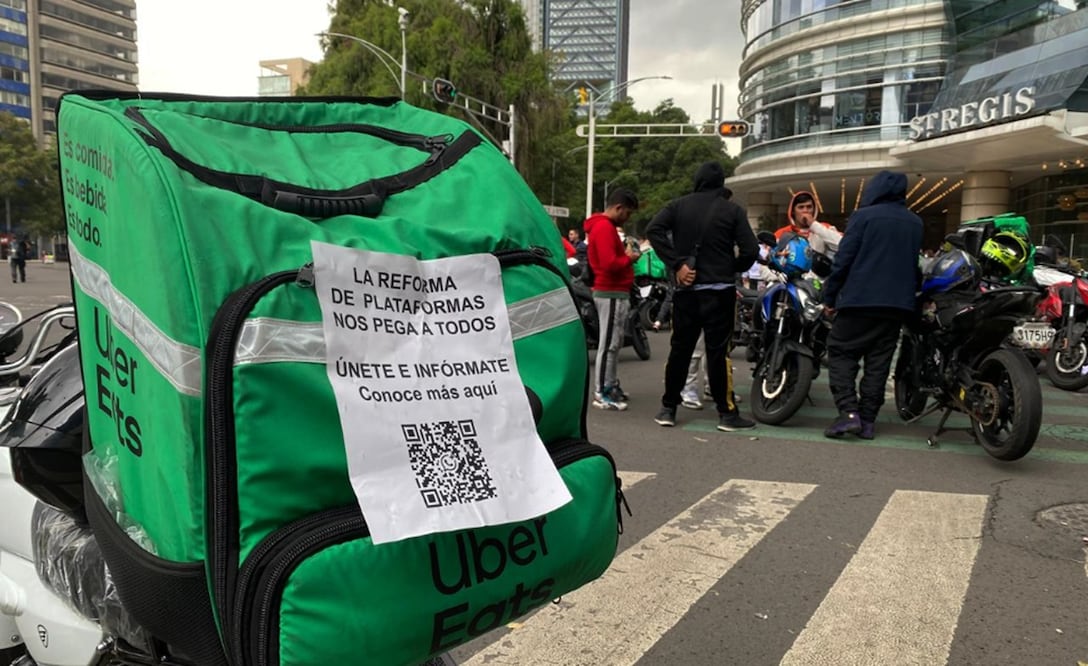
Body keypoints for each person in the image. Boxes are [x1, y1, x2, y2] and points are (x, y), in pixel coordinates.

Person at [646, 161, 759, 432]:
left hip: (686, 292)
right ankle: (726, 414)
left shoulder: (677, 206)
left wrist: (677, 264)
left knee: (680, 350)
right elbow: (751, 250)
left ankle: (668, 408)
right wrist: (731, 267)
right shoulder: (732, 211)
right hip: (719, 293)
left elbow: (653, 230)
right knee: (718, 353)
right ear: (721, 184)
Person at [821, 170, 923, 440]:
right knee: (878, 363)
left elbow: (844, 259)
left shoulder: (863, 217)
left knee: (841, 353)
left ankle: (848, 413)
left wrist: (829, 298)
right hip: (896, 305)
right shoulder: (915, 223)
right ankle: (867, 420)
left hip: (859, 300)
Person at [583, 188, 640, 411]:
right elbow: (609, 263)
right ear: (618, 208)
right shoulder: (604, 228)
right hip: (610, 290)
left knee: (613, 343)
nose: (627, 218)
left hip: (613, 291)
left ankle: (609, 385)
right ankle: (601, 392)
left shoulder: (600, 227)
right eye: (627, 213)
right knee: (608, 344)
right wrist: (629, 258)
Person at [775, 191, 841, 258]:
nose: (805, 210)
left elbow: (843, 245)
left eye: (809, 207)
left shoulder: (825, 228)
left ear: (814, 210)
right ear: (793, 212)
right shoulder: (781, 233)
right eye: (801, 207)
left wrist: (813, 225)